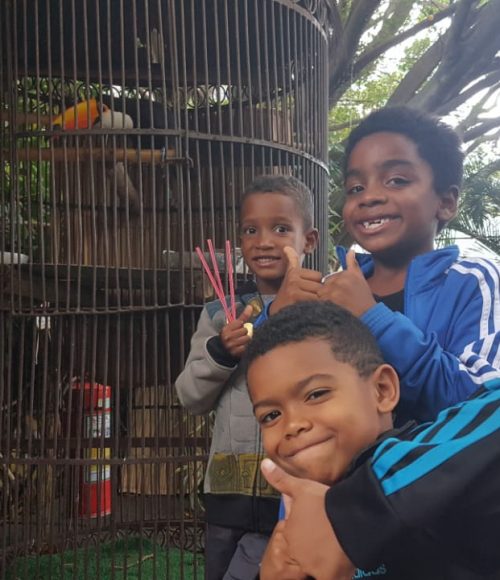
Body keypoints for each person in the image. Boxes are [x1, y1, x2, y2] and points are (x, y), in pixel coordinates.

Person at [265, 106, 500, 425]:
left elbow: (484, 403)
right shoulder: (331, 291)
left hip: (437, 474)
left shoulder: (473, 282)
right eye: (355, 188)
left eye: (396, 180)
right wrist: (276, 317)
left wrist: (374, 319)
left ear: (445, 202)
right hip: (347, 475)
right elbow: (280, 389)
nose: (369, 197)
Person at [245, 300, 500, 579]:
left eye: (316, 394)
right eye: (270, 415)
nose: (293, 425)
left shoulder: (451, 481)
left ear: (382, 390)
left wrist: (355, 509)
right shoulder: (297, 522)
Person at [175, 175, 320, 580]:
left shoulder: (327, 309)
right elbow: (189, 397)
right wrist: (220, 354)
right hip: (226, 498)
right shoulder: (220, 316)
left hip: (297, 493)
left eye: (280, 228)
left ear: (308, 240)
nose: (264, 241)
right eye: (250, 230)